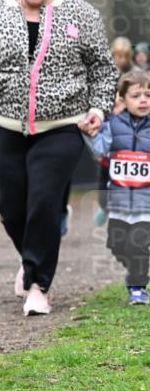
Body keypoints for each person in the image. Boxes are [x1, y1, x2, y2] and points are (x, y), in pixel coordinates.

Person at [0, 0, 116, 317]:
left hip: (63, 125)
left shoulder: (80, 15)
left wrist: (98, 108)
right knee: (12, 209)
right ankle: (31, 258)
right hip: (4, 123)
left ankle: (38, 284)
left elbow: (102, 67)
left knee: (45, 203)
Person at [81, 69, 150, 306]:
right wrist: (89, 135)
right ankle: (137, 266)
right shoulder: (113, 125)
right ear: (122, 99)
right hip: (119, 204)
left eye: (148, 95)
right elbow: (100, 150)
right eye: (136, 95)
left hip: (145, 204)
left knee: (138, 244)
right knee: (118, 245)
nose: (143, 100)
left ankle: (138, 287)